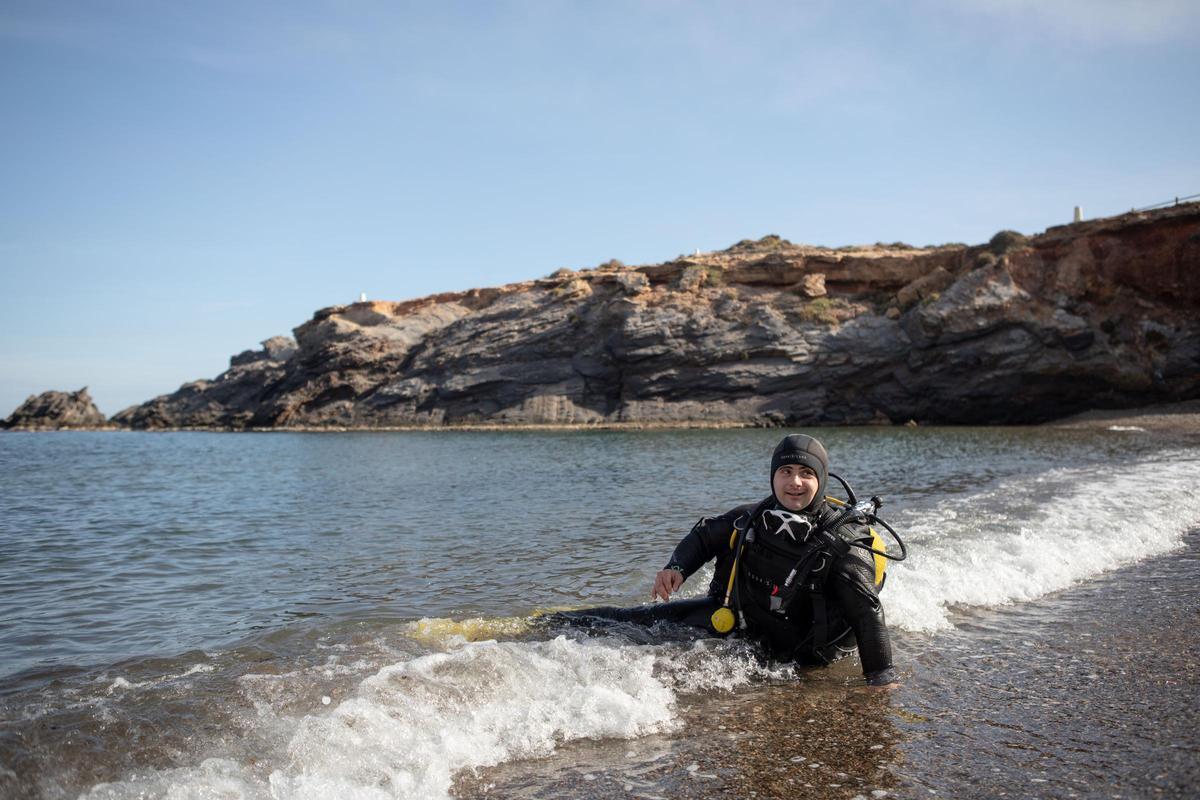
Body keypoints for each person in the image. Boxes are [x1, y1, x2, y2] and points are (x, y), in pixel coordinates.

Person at [569, 433, 899, 687]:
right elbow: (704, 535)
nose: (794, 482)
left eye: (806, 473)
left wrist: (881, 682)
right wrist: (676, 568)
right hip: (743, 626)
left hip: (806, 654)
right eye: (786, 471)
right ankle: (543, 627)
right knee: (625, 623)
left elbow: (867, 614)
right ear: (773, 476)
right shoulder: (750, 520)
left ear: (821, 480)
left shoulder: (843, 543)